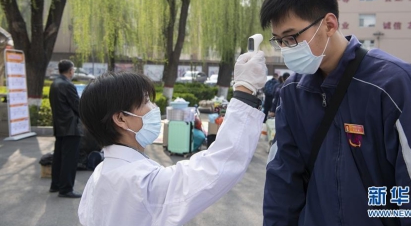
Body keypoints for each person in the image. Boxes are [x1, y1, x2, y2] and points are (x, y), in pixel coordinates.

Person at [261, 0, 411, 225]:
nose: (286, 49)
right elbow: (282, 185)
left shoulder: (392, 85)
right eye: (280, 41)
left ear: (329, 24)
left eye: (292, 37)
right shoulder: (293, 93)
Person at [78, 51, 267, 225]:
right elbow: (218, 165)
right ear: (121, 118)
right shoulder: (140, 180)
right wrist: (245, 93)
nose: (153, 108)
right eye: (145, 102)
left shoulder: (101, 173)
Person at [49, 60, 83, 198]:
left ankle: (55, 185)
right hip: (71, 127)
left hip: (59, 126)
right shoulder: (68, 85)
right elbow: (77, 106)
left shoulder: (55, 83)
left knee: (58, 157)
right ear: (70, 71)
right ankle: (66, 189)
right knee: (69, 159)